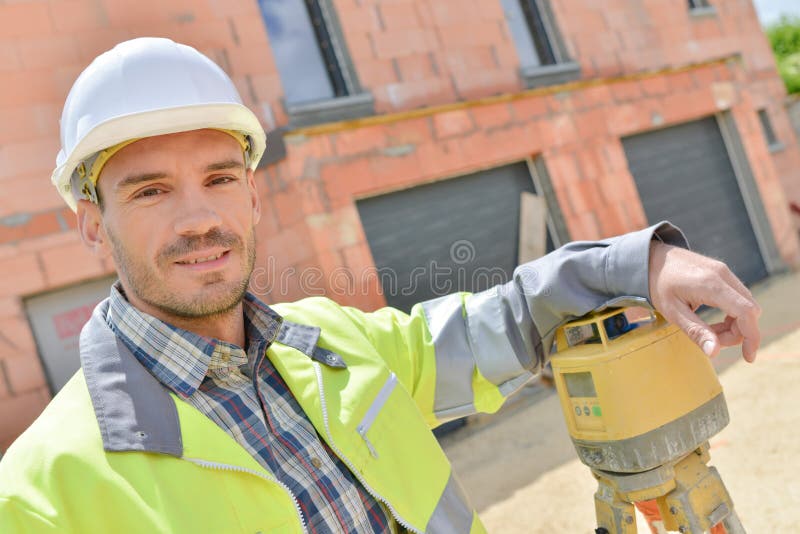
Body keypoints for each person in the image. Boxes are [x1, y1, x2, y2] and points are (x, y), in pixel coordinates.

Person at [0, 38, 760, 534]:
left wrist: (632, 265)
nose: (200, 219)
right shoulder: (42, 494)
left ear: (254, 193)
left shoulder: (332, 342)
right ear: (91, 224)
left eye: (220, 178)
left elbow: (500, 323)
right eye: (150, 191)